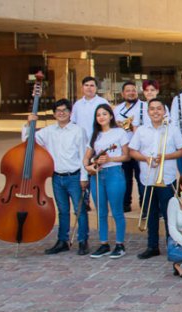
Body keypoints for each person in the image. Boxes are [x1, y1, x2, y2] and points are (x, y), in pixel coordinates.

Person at [24, 100, 90, 255]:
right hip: (57, 177)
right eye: (58, 110)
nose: (61, 113)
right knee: (62, 211)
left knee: (79, 210)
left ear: (70, 112)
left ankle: (82, 241)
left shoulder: (78, 131)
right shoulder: (48, 131)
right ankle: (62, 241)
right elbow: (28, 141)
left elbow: (83, 155)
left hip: (74, 176)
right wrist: (29, 125)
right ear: (54, 113)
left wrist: (84, 176)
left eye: (65, 110)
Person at [128, 98, 182, 259]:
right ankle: (152, 246)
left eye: (159, 109)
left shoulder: (172, 129)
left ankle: (172, 244)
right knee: (151, 214)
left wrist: (165, 157)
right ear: (148, 112)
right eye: (152, 109)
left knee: (170, 215)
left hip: (166, 178)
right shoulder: (141, 130)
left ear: (164, 112)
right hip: (147, 178)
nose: (155, 112)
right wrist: (145, 158)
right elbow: (132, 151)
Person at [84, 104, 130, 259]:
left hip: (114, 173)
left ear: (111, 116)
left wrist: (110, 158)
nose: (101, 117)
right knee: (101, 211)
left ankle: (119, 244)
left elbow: (126, 156)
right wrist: (89, 166)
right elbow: (87, 157)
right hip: (98, 175)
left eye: (104, 114)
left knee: (117, 210)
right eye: (98, 115)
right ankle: (104, 243)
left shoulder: (119, 132)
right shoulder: (95, 135)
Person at [113, 81, 146, 213]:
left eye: (133, 90)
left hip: (140, 149)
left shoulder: (144, 106)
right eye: (128, 90)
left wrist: (133, 127)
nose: (131, 93)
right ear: (122, 93)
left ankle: (144, 204)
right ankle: (126, 204)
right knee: (125, 178)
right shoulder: (117, 109)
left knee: (141, 177)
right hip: (124, 148)